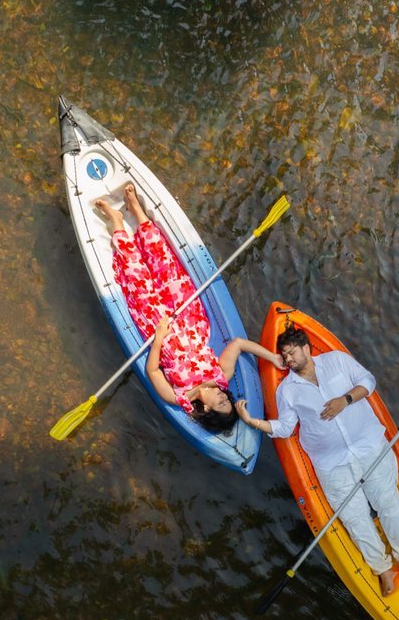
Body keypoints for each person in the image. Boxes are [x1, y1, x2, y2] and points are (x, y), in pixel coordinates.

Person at [235, 325, 399, 596]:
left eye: (291, 353)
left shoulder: (337, 360)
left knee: (388, 502)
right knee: (354, 516)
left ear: (307, 348)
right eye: (284, 355)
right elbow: (284, 428)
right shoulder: (287, 391)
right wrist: (251, 421)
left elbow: (368, 381)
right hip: (330, 462)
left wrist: (345, 400)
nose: (288, 360)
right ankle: (383, 571)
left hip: (369, 444)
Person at [93, 183, 281, 433]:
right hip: (191, 318)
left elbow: (153, 370)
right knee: (165, 264)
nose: (226, 398)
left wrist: (159, 338)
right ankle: (136, 210)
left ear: (206, 411)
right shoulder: (221, 375)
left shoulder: (179, 398)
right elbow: (238, 344)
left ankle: (116, 221)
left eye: (222, 404)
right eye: (228, 401)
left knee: (134, 272)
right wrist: (273, 357)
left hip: (159, 328)